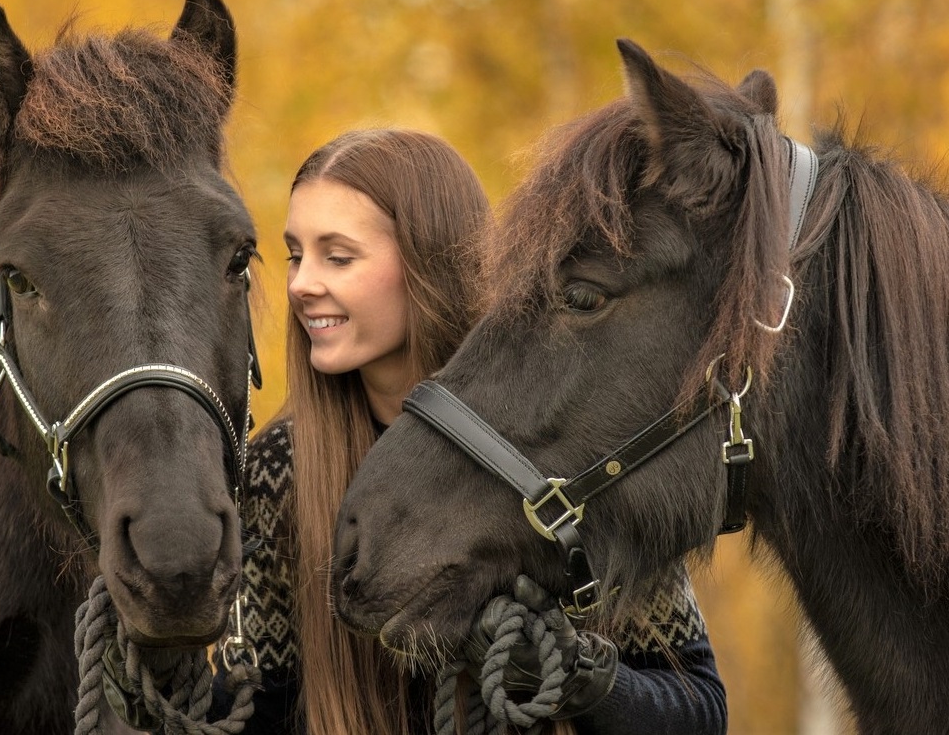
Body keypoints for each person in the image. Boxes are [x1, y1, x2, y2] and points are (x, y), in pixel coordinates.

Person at [219, 128, 727, 734]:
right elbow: (261, 716)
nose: (300, 284)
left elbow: (698, 711)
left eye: (338, 255)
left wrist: (578, 678)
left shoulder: (565, 440)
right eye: (296, 253)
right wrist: (174, 680)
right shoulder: (279, 468)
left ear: (426, 263)